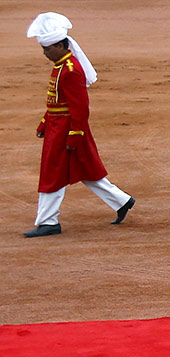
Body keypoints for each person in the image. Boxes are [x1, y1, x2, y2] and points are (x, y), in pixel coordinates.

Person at [24, 12, 135, 238]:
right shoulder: (63, 66)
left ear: (61, 46)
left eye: (48, 49)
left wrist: (75, 134)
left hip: (66, 130)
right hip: (59, 127)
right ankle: (122, 201)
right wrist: (45, 121)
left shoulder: (70, 70)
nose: (45, 54)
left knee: (52, 173)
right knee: (87, 170)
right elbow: (56, 100)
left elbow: (80, 108)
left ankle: (48, 221)